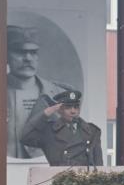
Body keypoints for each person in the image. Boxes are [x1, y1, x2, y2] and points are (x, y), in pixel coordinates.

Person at [6, 25, 77, 160]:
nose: (28, 58)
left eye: (33, 52)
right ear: (6, 55)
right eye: (19, 52)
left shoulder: (60, 93)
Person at [21, 88, 103, 166]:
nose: (73, 111)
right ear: (59, 110)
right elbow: (25, 137)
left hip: (84, 179)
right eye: (68, 107)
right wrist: (45, 114)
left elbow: (98, 163)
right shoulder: (49, 131)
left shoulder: (92, 131)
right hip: (59, 178)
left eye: (76, 107)